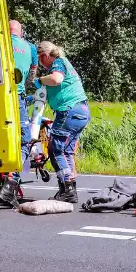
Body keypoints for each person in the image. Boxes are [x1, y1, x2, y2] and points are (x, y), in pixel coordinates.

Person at [35, 41, 90, 203]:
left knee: (55, 150)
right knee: (66, 152)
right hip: (81, 111)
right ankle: (70, 190)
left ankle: (67, 189)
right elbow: (49, 91)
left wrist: (40, 79)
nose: (41, 64)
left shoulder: (57, 62)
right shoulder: (64, 63)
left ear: (45, 56)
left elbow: (56, 79)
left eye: (40, 60)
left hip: (69, 110)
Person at [0, 20, 39, 207]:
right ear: (20, 32)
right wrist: (26, 88)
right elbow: (33, 73)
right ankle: (11, 183)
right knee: (25, 139)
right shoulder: (30, 47)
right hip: (16, 97)